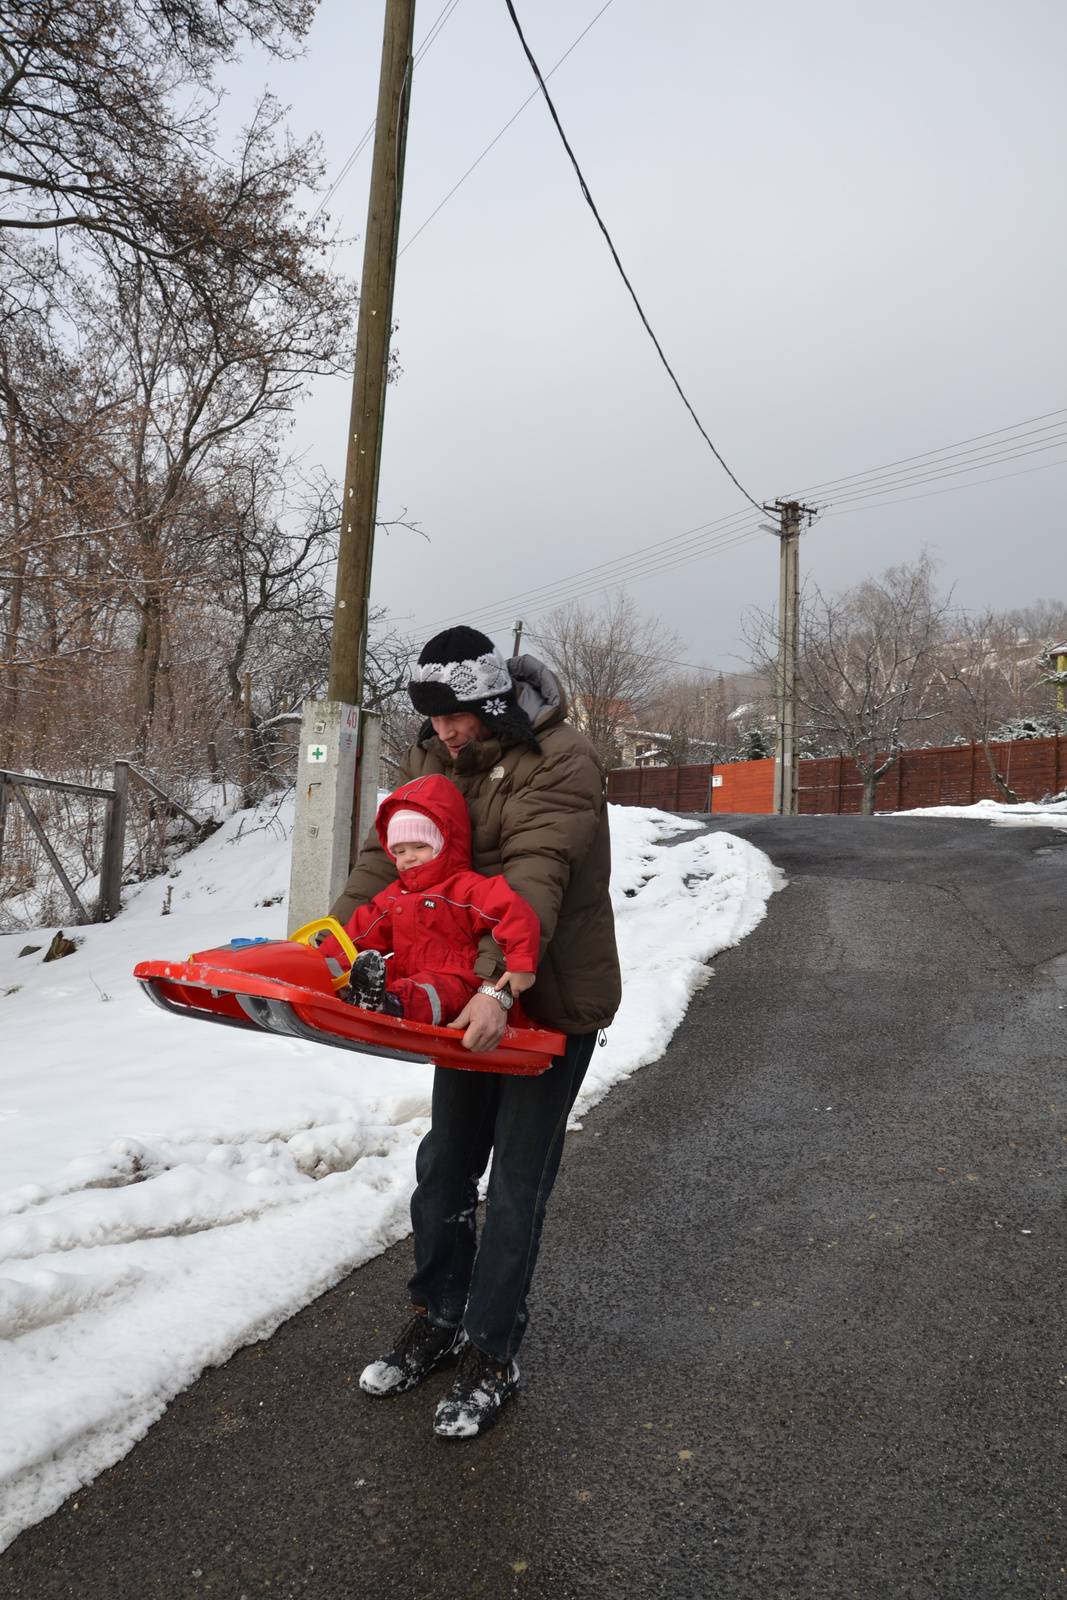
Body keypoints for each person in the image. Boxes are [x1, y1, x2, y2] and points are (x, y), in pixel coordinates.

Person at [331, 625, 621, 1440]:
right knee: (445, 1167)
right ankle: (438, 1316)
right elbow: (392, 855)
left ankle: (492, 1353)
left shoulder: (563, 758)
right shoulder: (437, 756)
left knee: (517, 1184)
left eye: (456, 716)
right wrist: (337, 946)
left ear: (493, 701)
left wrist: (499, 984)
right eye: (433, 719)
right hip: (463, 998)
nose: (444, 733)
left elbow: (532, 877)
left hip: (545, 995)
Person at [327, 774, 540, 1025]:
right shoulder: (396, 894)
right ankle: (317, 976)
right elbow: (360, 932)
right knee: (369, 967)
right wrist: (319, 956)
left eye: (419, 846)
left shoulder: (465, 889)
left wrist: (521, 964)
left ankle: (389, 1006)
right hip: (407, 973)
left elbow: (513, 914)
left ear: (443, 843)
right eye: (400, 851)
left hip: (459, 983)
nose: (409, 858)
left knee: (434, 988)